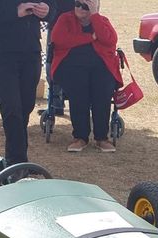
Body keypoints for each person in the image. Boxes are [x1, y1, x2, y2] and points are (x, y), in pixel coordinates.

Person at [0, 1, 51, 165]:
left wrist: (47, 10)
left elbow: (54, 5)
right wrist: (14, 11)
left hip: (30, 50)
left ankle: (19, 159)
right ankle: (16, 162)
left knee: (26, 105)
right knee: (12, 107)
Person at [51, 0, 122, 152]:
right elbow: (59, 40)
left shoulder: (102, 21)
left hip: (101, 67)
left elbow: (110, 40)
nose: (80, 8)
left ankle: (101, 137)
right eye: (78, 4)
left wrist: (95, 16)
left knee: (102, 92)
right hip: (71, 67)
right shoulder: (65, 19)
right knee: (79, 90)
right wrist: (90, 37)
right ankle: (80, 137)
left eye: (86, 6)